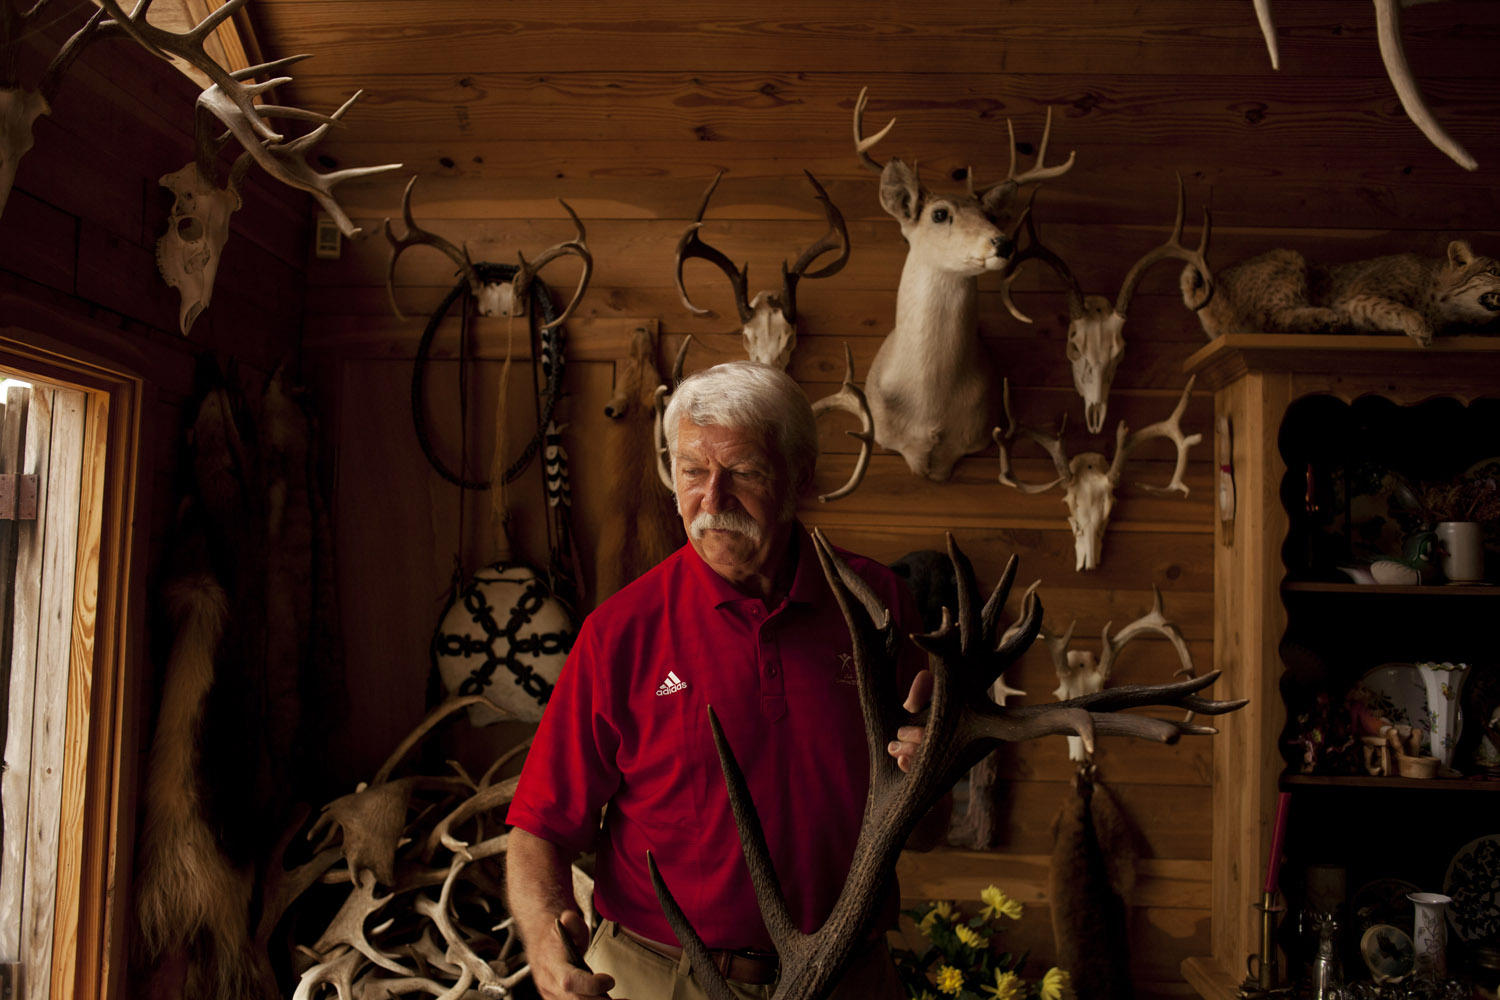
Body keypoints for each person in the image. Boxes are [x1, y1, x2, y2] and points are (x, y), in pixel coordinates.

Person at [506, 361, 932, 1000]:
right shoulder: (621, 632)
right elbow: (540, 823)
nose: (713, 500)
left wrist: (930, 772)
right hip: (658, 976)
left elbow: (924, 820)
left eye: (745, 473)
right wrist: (543, 939)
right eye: (693, 473)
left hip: (847, 976)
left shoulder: (879, 606)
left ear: (799, 478)